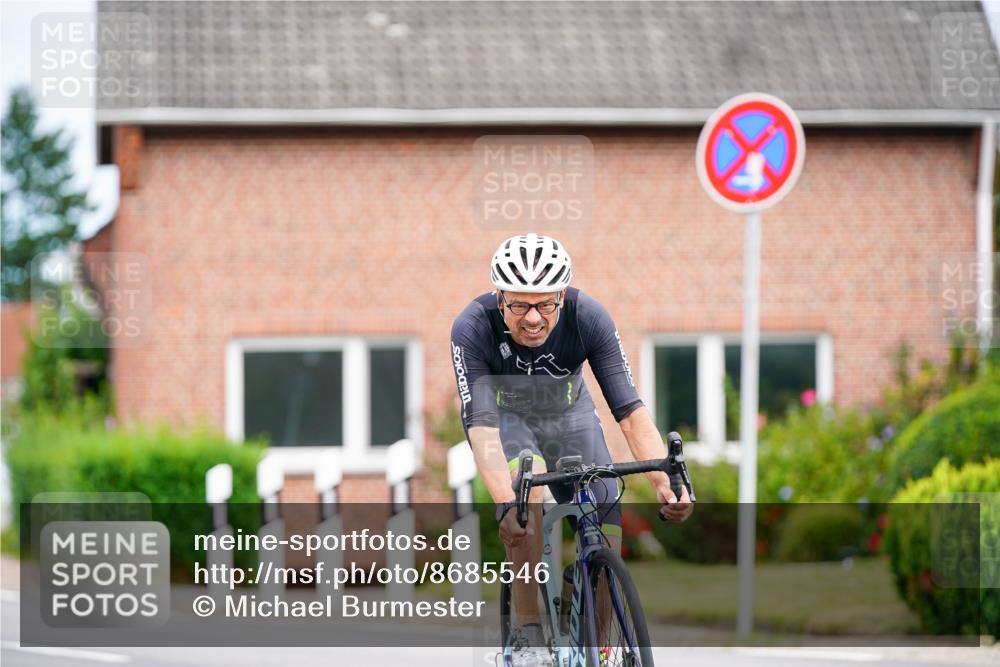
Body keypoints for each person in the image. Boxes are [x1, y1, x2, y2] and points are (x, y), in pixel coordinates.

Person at [449, 233, 693, 664]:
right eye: (519, 305)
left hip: (569, 414)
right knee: (530, 490)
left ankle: (597, 639)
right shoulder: (472, 328)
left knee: (603, 504)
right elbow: (482, 430)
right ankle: (527, 634)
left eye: (545, 304)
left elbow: (631, 413)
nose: (533, 318)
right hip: (507, 418)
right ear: (500, 298)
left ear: (562, 296)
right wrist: (507, 502)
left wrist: (663, 482)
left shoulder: (589, 317)